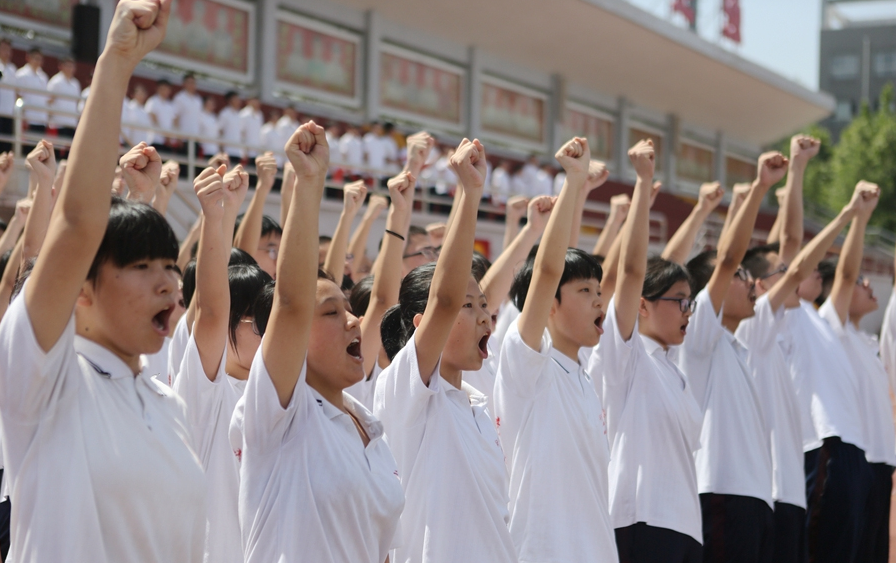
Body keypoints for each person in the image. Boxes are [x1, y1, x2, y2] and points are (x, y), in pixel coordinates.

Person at [0, 2, 206, 561]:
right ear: (81, 289)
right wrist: (116, 62)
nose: (168, 283)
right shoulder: (45, 376)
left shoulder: (168, 405)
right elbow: (78, 227)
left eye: (169, 265)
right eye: (141, 268)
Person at [231, 120, 404, 563]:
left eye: (349, 308)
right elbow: (290, 301)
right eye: (332, 312)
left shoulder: (369, 424)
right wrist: (310, 182)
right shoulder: (280, 414)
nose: (355, 321)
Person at [374, 138, 517, 563]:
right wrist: (470, 192)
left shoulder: (477, 405)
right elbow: (445, 299)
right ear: (422, 325)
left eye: (486, 308)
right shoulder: (408, 391)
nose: (486, 319)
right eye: (470, 307)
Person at [494, 138, 618, 563]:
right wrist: (574, 181)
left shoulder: (585, 378)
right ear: (548, 305)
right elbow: (548, 270)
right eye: (585, 291)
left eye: (599, 291)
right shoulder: (528, 365)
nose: (599, 301)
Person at [588, 139, 704, 562]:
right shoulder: (626, 355)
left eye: (691, 301)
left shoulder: (676, 372)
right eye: (679, 301)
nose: (688, 312)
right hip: (641, 522)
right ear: (642, 306)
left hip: (685, 526)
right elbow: (632, 270)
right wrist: (643, 182)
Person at [670, 158, 787, 563]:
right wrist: (760, 186)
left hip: (755, 497)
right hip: (722, 493)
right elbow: (727, 256)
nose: (752, 284)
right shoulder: (701, 338)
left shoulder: (737, 348)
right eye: (741, 277)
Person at [173, 163, 269, 563]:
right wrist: (217, 217)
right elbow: (211, 310)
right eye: (257, 322)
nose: (269, 334)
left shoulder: (284, 394)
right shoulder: (205, 391)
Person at [783, 180, 877, 562]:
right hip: (824, 443)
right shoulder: (787, 313)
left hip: (854, 448)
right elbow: (791, 246)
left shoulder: (825, 319)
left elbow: (849, 271)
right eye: (809, 267)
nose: (817, 272)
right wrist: (845, 213)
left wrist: (862, 218)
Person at [813, 181, 890, 563]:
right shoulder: (831, 324)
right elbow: (845, 275)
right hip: (851, 459)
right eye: (860, 281)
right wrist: (861, 216)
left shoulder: (865, 342)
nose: (865, 284)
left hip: (878, 463)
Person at [15, 48, 49, 140]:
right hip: (28, 119)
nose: (38, 61)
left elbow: (45, 99)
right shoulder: (21, 75)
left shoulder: (43, 77)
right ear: (28, 58)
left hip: (41, 120)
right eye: (36, 58)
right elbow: (18, 96)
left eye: (40, 59)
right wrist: (23, 118)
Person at [47, 57, 81, 142]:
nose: (70, 68)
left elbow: (77, 103)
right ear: (61, 66)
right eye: (67, 66)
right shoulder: (55, 82)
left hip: (71, 124)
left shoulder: (76, 84)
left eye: (72, 66)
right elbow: (49, 101)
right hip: (58, 123)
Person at [172, 72, 202, 151]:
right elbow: (175, 117)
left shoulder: (198, 100)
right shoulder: (180, 98)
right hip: (183, 139)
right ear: (184, 84)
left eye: (193, 83)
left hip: (195, 139)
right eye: (189, 82)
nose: (191, 85)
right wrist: (178, 136)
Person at [145, 79, 175, 150]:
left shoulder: (170, 105)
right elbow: (153, 118)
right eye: (162, 89)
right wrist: (165, 134)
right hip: (155, 139)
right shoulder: (152, 101)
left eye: (166, 89)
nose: (164, 91)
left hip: (167, 142)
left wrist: (170, 137)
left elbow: (173, 122)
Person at [0, 39, 18, 152]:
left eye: (8, 49)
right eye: (3, 49)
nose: (6, 52)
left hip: (9, 114)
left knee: (6, 148)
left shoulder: (13, 69)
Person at [218, 91, 243, 164]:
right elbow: (220, 131)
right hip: (227, 150)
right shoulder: (224, 113)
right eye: (236, 99)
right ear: (230, 101)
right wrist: (221, 149)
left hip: (238, 151)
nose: (238, 101)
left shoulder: (240, 115)